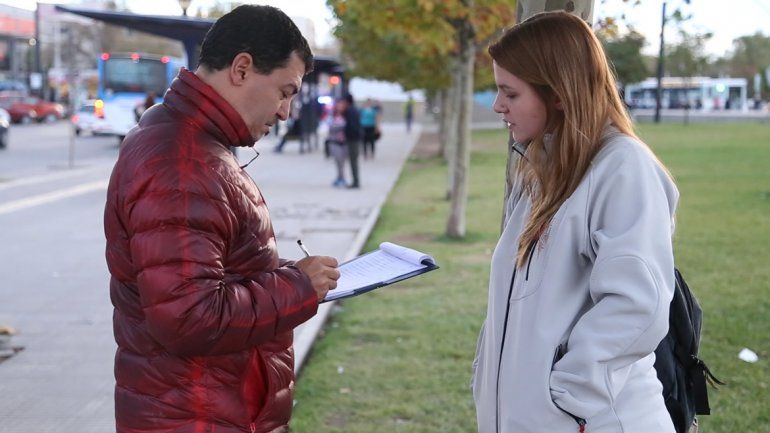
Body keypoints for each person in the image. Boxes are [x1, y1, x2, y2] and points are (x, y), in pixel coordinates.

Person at [103, 6, 340, 433]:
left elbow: (206, 277)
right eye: (284, 91)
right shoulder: (183, 162)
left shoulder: (191, 141)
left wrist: (285, 273)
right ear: (242, 68)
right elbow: (190, 316)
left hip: (206, 407)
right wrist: (298, 286)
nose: (286, 111)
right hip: (197, 416)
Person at [471, 12, 678, 433]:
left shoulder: (623, 167)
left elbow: (638, 305)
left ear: (559, 94)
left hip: (597, 422)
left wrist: (568, 400)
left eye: (510, 93)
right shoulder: (541, 169)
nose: (497, 106)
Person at [339, 93, 362, 188]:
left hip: (353, 139)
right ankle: (355, 181)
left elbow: (351, 126)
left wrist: (346, 135)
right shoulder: (352, 110)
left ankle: (356, 182)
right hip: (354, 138)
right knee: (353, 161)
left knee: (353, 161)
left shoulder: (351, 111)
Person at [327, 100, 348, 187]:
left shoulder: (347, 115)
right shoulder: (332, 116)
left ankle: (342, 178)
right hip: (335, 142)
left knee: (342, 162)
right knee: (337, 161)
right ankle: (339, 177)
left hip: (344, 142)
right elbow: (330, 127)